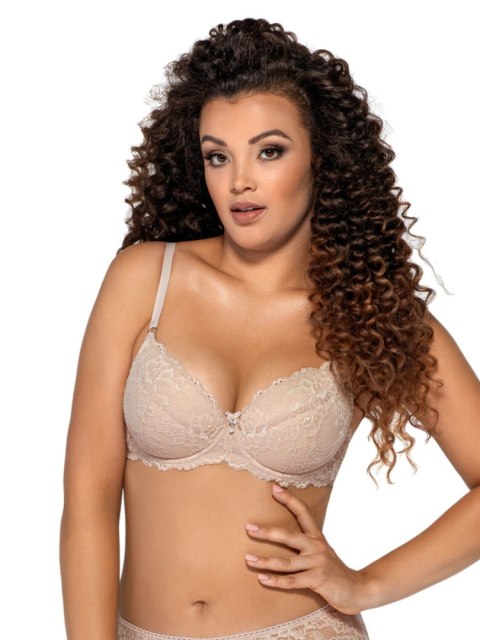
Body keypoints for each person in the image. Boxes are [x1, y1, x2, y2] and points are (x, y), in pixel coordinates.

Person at [59, 17, 480, 640]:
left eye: (270, 151)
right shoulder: (145, 279)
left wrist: (368, 584)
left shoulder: (371, 313)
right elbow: (87, 505)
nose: (240, 181)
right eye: (218, 156)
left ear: (322, 157)